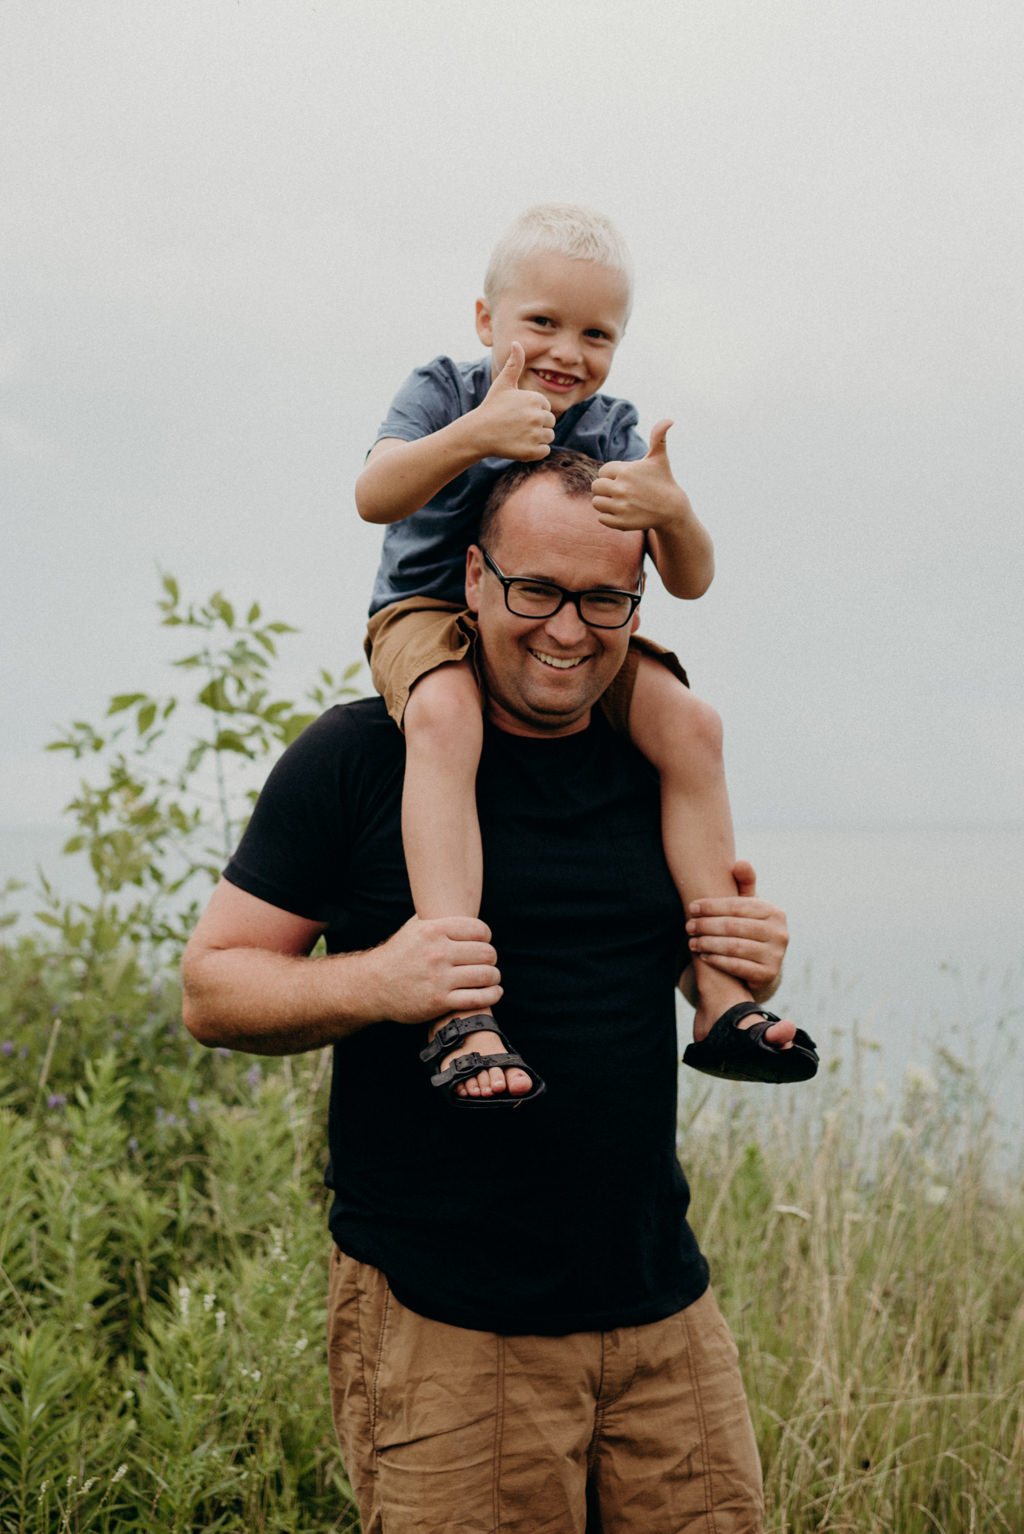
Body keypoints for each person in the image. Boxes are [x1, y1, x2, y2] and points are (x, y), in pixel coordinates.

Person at [182, 451, 817, 1533]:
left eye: (603, 599)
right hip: (447, 1324)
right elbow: (213, 987)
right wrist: (382, 979)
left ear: (636, 600)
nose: (569, 630)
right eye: (536, 591)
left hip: (663, 1310)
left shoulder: (653, 761)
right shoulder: (359, 755)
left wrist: (740, 955)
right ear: (471, 580)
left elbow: (665, 955)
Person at [355, 202, 794, 1102]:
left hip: (567, 620)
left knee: (692, 722)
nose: (566, 351)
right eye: (542, 322)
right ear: (488, 322)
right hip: (429, 610)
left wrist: (673, 513)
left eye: (596, 333)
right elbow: (374, 494)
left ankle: (719, 994)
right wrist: (477, 433)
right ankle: (459, 1007)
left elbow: (690, 580)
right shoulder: (442, 387)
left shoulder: (610, 426)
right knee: (444, 714)